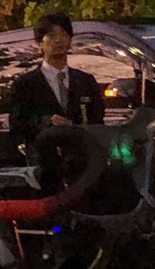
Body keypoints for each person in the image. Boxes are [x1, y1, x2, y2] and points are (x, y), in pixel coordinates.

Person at [7, 11, 106, 169]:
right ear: (40, 43)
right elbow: (17, 125)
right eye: (52, 36)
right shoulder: (25, 84)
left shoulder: (85, 81)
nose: (59, 40)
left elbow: (98, 122)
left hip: (82, 162)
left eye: (64, 34)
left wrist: (74, 125)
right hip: (44, 163)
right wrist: (47, 121)